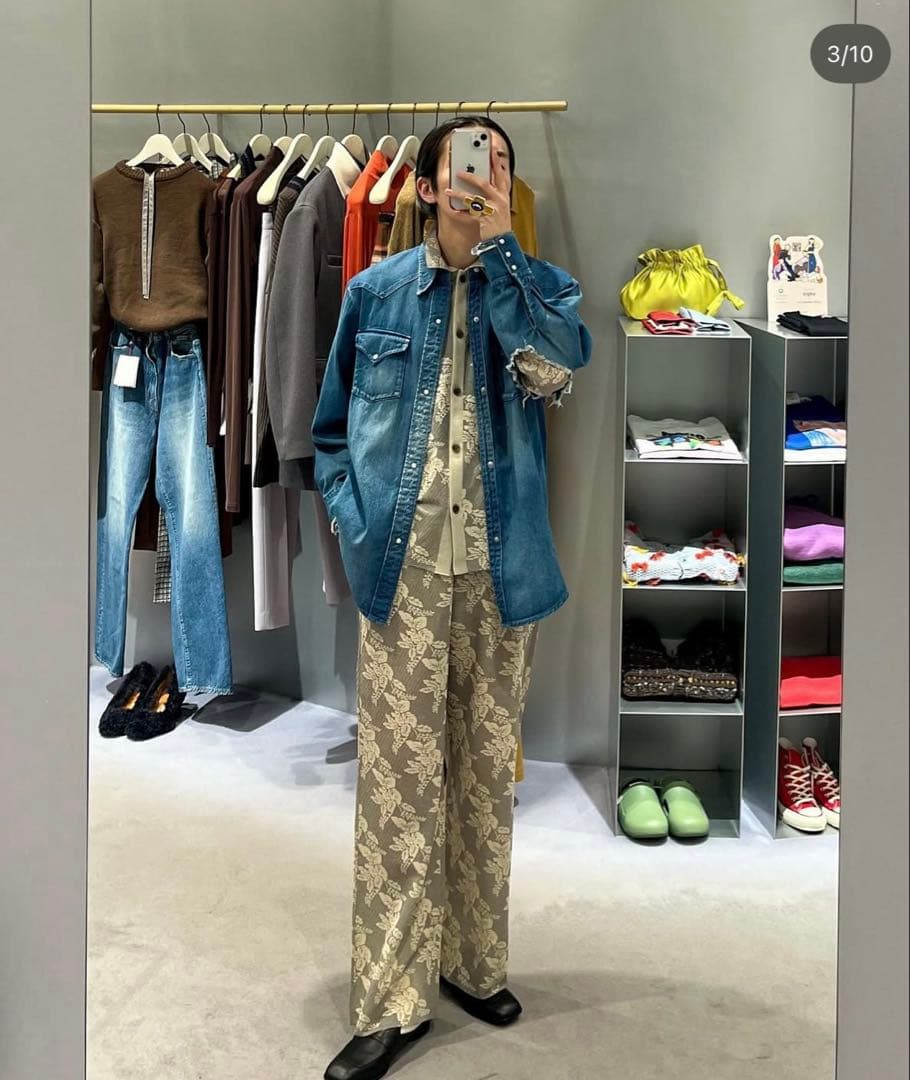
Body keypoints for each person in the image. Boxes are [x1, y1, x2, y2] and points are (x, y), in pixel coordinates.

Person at [313, 115, 593, 1080]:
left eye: (501, 163)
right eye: (470, 163)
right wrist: (355, 527)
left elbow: (561, 366)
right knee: (398, 790)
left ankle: (473, 964)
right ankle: (391, 1000)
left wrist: (505, 256)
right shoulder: (376, 291)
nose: (487, 174)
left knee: (481, 782)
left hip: (499, 573)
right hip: (403, 574)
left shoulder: (541, 288)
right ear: (428, 187)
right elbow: (331, 431)